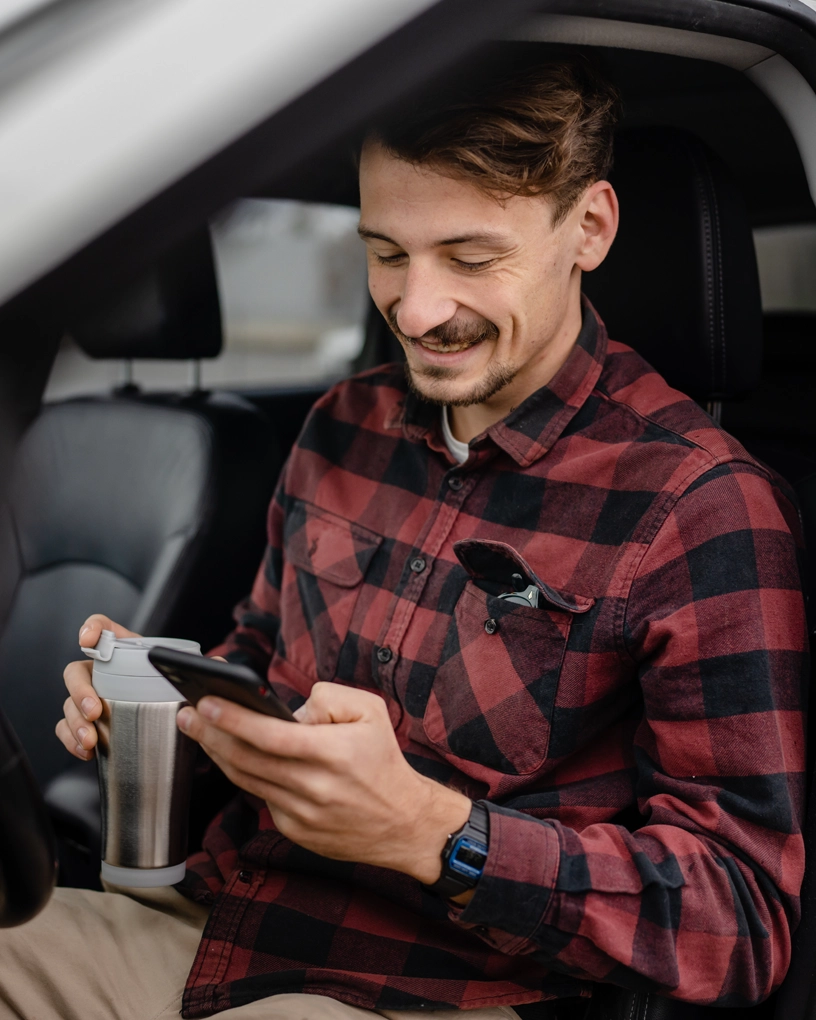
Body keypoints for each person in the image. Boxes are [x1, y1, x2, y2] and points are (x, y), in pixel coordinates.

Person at [1, 52, 806, 1020]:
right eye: (386, 252)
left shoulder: (700, 502)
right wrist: (174, 710)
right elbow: (257, 658)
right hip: (216, 925)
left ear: (588, 228)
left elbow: (741, 918)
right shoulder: (344, 423)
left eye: (469, 259)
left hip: (448, 989)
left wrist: (436, 831)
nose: (417, 309)